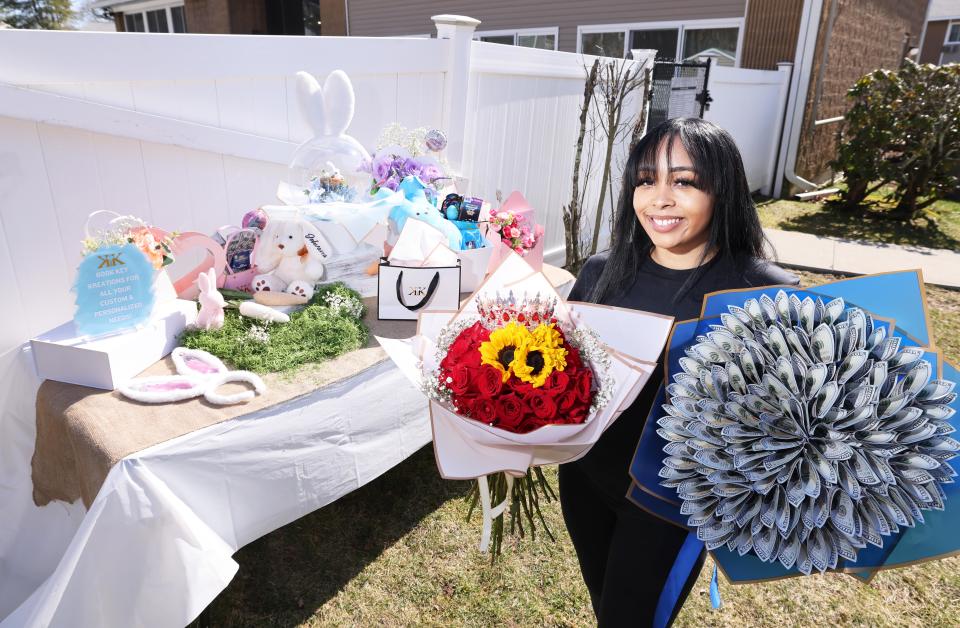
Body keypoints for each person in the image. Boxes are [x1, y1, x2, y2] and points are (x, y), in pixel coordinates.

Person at [559, 117, 799, 627]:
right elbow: (566, 376)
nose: (658, 198)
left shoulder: (762, 292)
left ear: (722, 190)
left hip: (672, 505)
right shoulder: (602, 271)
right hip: (583, 478)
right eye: (646, 180)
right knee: (605, 601)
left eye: (684, 182)